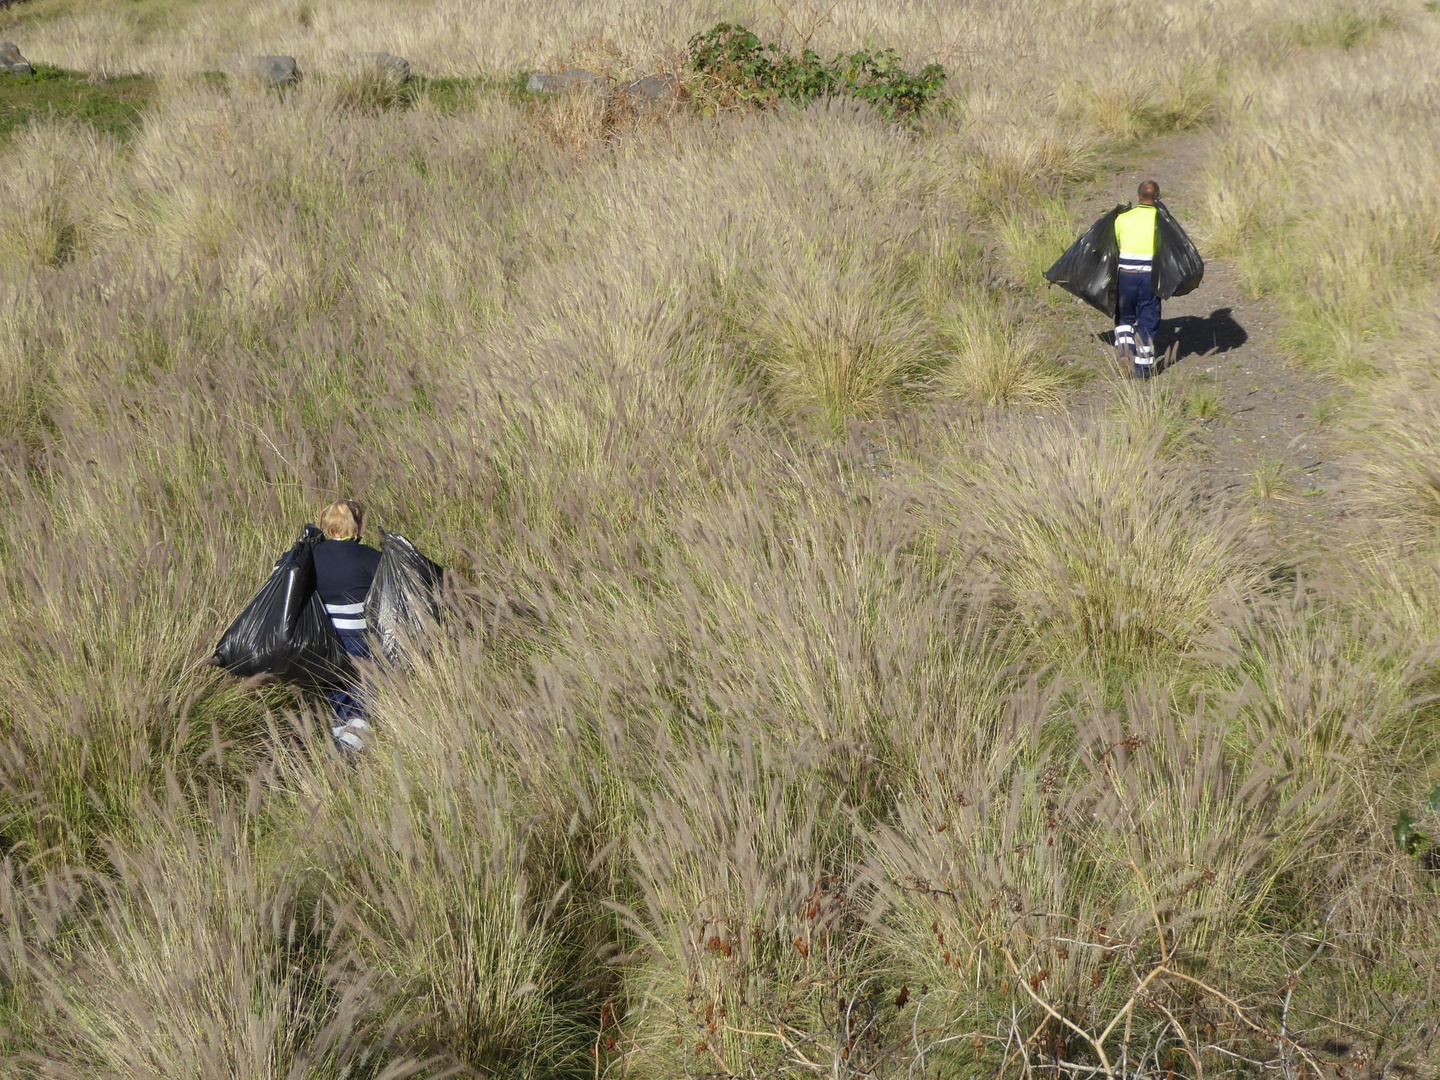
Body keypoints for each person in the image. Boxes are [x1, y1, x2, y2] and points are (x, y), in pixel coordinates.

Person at [312, 499, 382, 751]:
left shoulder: (311, 555)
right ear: (358, 526)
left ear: (327, 525)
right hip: (360, 635)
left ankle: (341, 731)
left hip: (324, 635)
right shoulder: (371, 556)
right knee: (364, 684)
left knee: (336, 683)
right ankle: (351, 743)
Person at [1114, 179, 1166, 379]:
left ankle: (1125, 355)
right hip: (1149, 277)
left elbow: (1114, 242)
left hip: (1125, 276)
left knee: (1124, 317)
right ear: (1157, 198)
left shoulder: (1123, 218)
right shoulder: (1162, 220)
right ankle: (1143, 370)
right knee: (1147, 320)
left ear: (1138, 198)